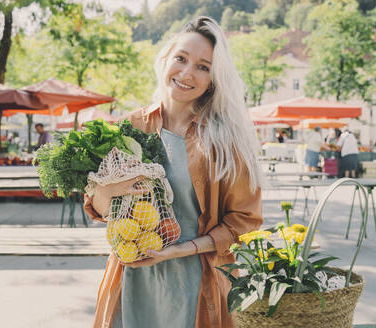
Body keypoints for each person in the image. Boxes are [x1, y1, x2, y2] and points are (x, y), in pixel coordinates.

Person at [84, 16, 263, 328]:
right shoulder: (129, 127)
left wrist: (179, 250)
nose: (186, 73)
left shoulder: (226, 141)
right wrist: (111, 190)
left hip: (196, 282)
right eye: (181, 58)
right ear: (165, 59)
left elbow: (244, 222)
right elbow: (98, 208)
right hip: (132, 276)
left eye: (203, 67)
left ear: (213, 80)